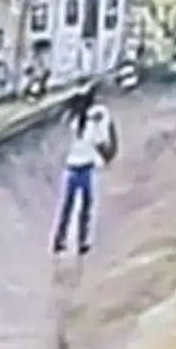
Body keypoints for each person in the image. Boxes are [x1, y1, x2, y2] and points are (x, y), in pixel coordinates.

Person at [51, 83, 118, 257]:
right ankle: (80, 242)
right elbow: (102, 142)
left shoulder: (74, 120)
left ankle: (61, 240)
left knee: (69, 205)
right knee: (84, 207)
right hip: (84, 169)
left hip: (73, 168)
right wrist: (107, 156)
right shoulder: (91, 122)